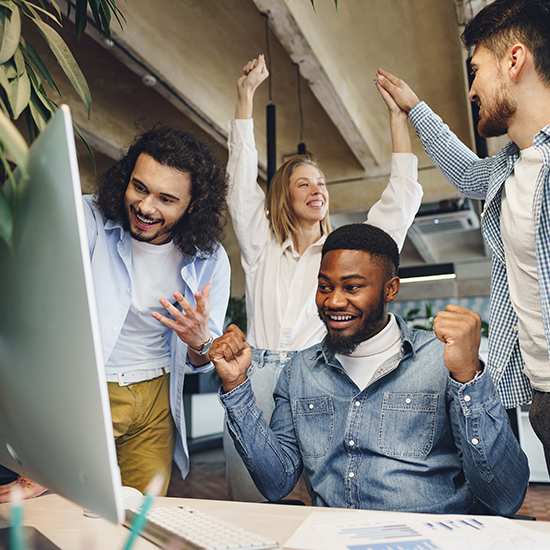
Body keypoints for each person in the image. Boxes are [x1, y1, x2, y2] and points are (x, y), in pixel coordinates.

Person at [210, 223, 529, 514]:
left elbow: (505, 496)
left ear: (390, 289)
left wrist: (469, 378)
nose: (333, 301)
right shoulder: (299, 371)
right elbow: (275, 482)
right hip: (332, 538)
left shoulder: (440, 360)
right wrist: (236, 386)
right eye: (325, 286)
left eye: (352, 288)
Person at [224, 54, 423, 501]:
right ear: (283, 195)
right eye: (304, 183)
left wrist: (397, 118)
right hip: (256, 376)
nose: (318, 190)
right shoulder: (260, 244)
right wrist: (245, 95)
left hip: (319, 376)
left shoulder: (344, 254)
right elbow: (238, 179)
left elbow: (401, 200)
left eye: (322, 183)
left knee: (330, 495)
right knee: (249, 494)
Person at [376, 0, 550, 474]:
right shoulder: (513, 166)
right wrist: (414, 108)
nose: (471, 88)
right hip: (542, 392)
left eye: (476, 71)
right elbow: (470, 173)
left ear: (514, 61)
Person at [84, 124, 230, 495]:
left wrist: (201, 341)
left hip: (156, 399)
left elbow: (202, 358)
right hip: (90, 388)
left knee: (144, 518)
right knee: (66, 507)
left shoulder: (210, 259)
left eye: (166, 199)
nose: (146, 207)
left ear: (192, 206)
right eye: (140, 187)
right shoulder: (88, 220)